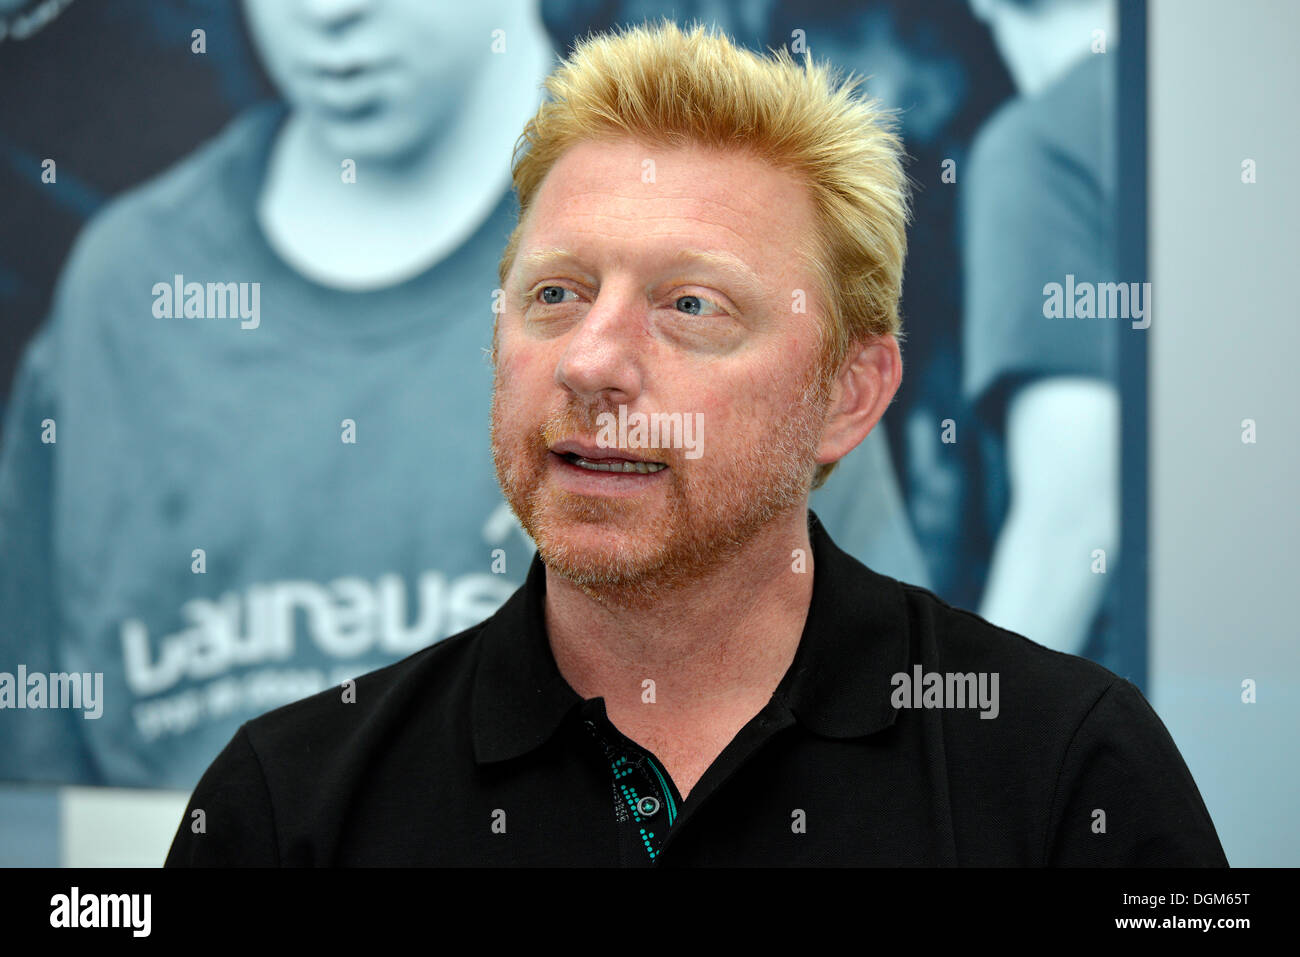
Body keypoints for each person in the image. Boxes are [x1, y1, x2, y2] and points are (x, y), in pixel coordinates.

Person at [165, 21, 1225, 866]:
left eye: (689, 303)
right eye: (555, 293)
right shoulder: (288, 805)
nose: (591, 361)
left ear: (850, 395)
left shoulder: (1065, 769)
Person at [0, 0, 926, 791]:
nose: (328, 13)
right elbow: (43, 802)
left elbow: (876, 754)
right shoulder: (125, 296)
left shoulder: (738, 264)